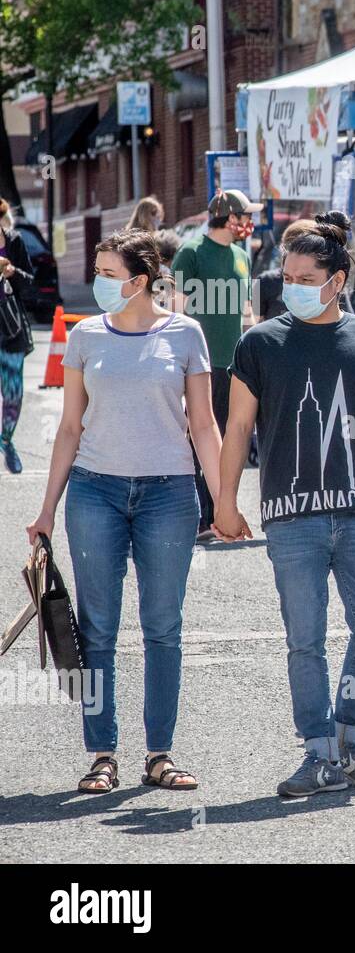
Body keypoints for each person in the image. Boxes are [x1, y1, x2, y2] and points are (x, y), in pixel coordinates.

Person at [213, 212, 355, 798]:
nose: (293, 285)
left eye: (308, 275)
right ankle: (317, 753)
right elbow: (237, 429)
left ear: (337, 280)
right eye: (288, 274)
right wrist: (224, 503)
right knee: (304, 638)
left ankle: (350, 734)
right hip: (292, 518)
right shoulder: (260, 342)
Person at [25, 229, 222, 794]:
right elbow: (68, 428)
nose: (99, 280)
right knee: (97, 628)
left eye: (108, 272)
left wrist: (225, 502)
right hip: (95, 492)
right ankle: (102, 754)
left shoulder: (186, 334)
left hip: (169, 493)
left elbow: (203, 426)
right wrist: (45, 510)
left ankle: (160, 754)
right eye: (99, 270)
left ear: (139, 280)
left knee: (164, 627)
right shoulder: (86, 335)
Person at [172, 190, 258, 540]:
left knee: (226, 439)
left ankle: (219, 512)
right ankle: (199, 515)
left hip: (232, 364)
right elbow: (174, 311)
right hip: (198, 365)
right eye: (244, 215)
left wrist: (255, 351)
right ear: (228, 217)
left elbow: (248, 310)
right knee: (197, 439)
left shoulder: (242, 255)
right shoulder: (191, 254)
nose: (248, 223)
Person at [1, 198, 36, 473]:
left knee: (13, 394)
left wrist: (12, 272)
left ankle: (6, 441)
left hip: (10, 329)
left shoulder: (14, 242)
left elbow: (30, 285)